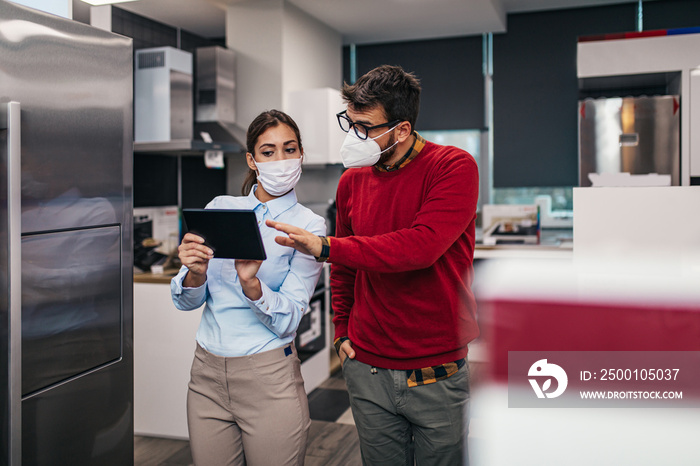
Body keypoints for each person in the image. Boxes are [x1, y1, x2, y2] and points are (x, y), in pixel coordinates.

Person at [267, 65, 480, 465]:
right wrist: (343, 329)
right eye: (349, 122)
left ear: (401, 130)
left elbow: (419, 247)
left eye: (364, 127)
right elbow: (346, 268)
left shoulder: (453, 166)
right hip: (366, 366)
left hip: (435, 368)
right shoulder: (352, 181)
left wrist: (326, 246)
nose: (353, 135)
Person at [170, 110, 326, 466]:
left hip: (268, 376)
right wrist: (194, 272)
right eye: (269, 152)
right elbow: (186, 301)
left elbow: (289, 319)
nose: (281, 160)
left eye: (289, 149)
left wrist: (251, 284)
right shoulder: (220, 208)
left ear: (301, 153)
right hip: (206, 374)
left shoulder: (308, 226)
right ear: (252, 160)